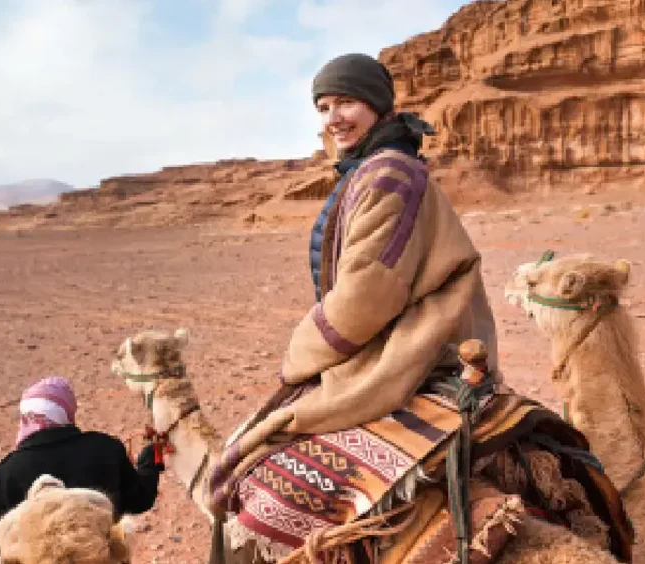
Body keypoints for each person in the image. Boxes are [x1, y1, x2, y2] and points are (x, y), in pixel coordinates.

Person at [208, 52, 498, 512]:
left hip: (415, 345)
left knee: (245, 472)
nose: (333, 119)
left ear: (376, 105)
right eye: (323, 108)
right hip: (394, 334)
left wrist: (299, 356)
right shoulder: (378, 166)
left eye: (345, 103)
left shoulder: (388, 174)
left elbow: (368, 294)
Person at [0, 376, 162, 561]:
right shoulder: (105, 448)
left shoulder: (4, 476)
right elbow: (140, 500)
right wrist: (150, 459)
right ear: (67, 412)